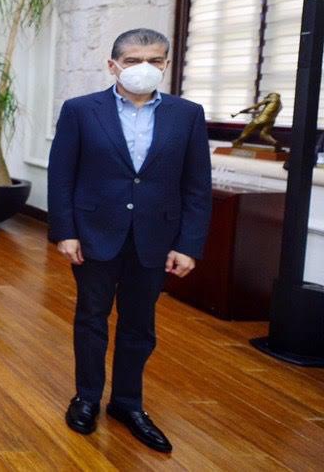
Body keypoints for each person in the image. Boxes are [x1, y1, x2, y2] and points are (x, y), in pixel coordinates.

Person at [47, 28, 211, 454]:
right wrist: (65, 231)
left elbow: (197, 185)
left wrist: (189, 244)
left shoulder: (187, 114)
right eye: (134, 60)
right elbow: (62, 175)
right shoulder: (81, 111)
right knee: (91, 318)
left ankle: (127, 403)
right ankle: (86, 397)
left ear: (166, 65)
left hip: (155, 237)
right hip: (94, 234)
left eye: (155, 60)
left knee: (140, 325)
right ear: (113, 65)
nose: (145, 68)